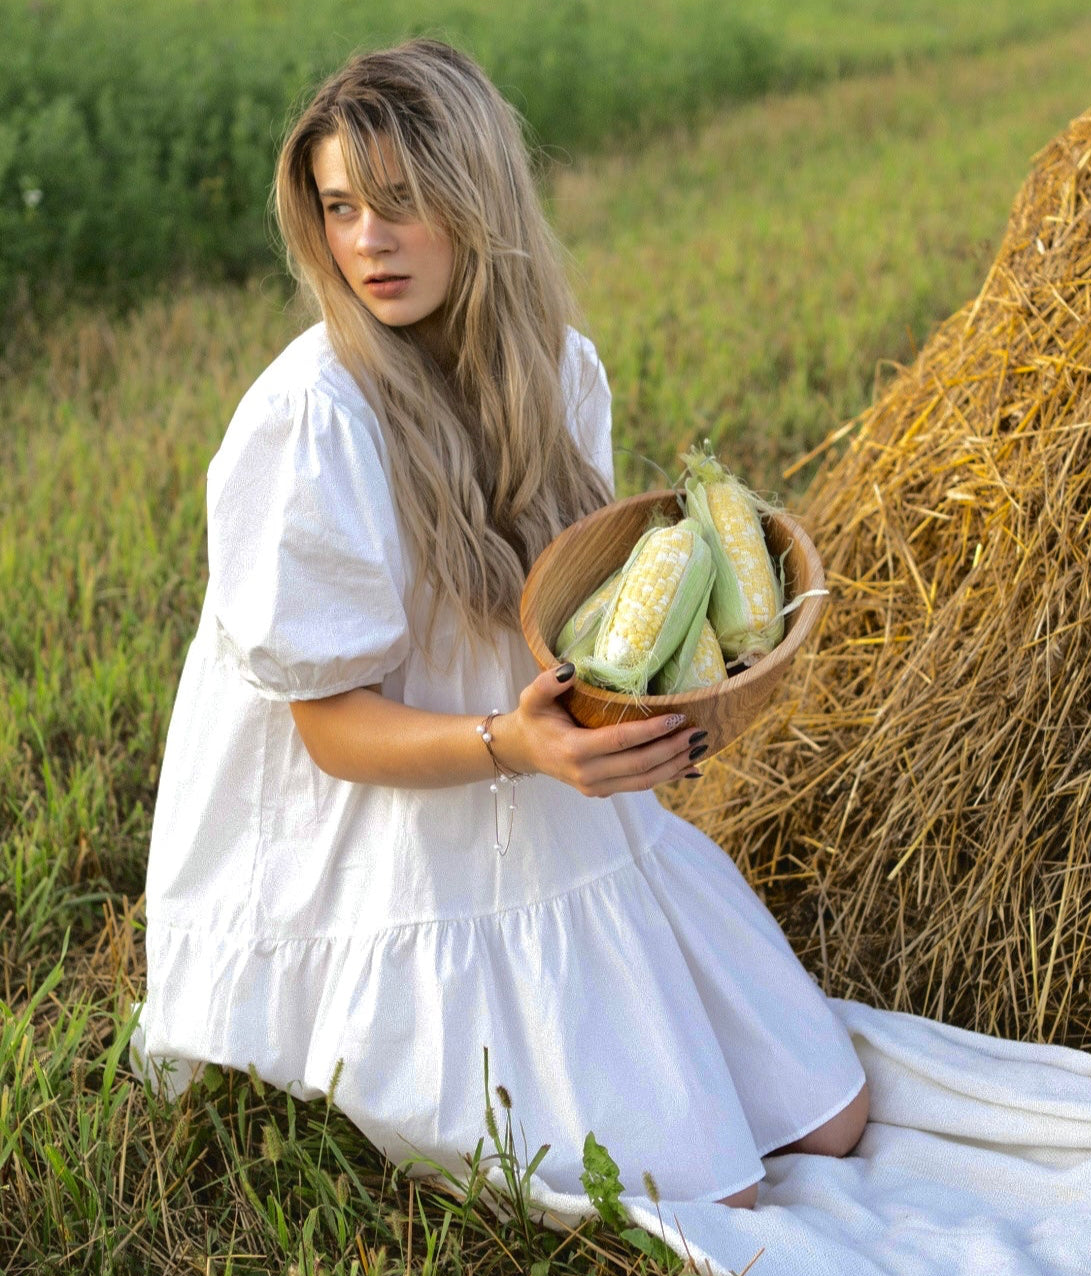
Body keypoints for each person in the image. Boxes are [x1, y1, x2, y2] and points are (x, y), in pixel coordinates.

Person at [132, 37, 868, 1211]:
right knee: (704, 1191)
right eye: (338, 208)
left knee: (831, 1123)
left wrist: (667, 711)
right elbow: (327, 735)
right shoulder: (311, 419)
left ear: (477, 202)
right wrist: (510, 746)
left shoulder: (558, 370)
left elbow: (564, 625)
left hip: (542, 781)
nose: (365, 241)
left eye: (401, 203)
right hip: (388, 827)